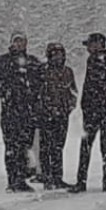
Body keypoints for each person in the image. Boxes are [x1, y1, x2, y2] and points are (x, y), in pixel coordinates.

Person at [0, 33, 42, 192]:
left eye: (22, 41)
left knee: (26, 145)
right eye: (16, 41)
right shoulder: (2, 62)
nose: (19, 44)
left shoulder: (33, 62)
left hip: (29, 112)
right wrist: (5, 93)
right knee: (11, 146)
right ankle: (13, 180)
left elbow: (40, 82)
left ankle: (22, 178)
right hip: (10, 111)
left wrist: (35, 97)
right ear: (11, 43)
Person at [71, 32, 106, 193]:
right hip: (94, 110)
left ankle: (96, 181)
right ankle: (89, 181)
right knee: (95, 145)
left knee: (101, 145)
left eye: (90, 44)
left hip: (103, 110)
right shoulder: (94, 60)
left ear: (99, 44)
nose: (88, 48)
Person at [37, 42, 77, 190]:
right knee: (46, 147)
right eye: (54, 54)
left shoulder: (68, 72)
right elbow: (37, 93)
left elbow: (73, 92)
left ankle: (57, 177)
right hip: (46, 115)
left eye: (60, 54)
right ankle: (47, 177)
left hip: (62, 115)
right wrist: (44, 108)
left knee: (58, 147)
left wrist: (68, 108)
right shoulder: (42, 71)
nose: (57, 57)